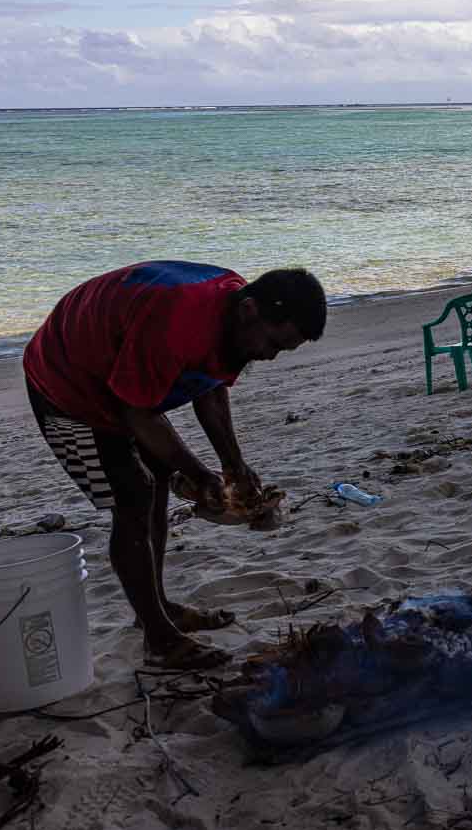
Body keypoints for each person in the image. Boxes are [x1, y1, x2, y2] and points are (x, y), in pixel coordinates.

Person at [23, 261, 327, 669]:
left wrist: (234, 465)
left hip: (119, 375)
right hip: (65, 385)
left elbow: (211, 389)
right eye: (274, 342)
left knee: (160, 476)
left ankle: (157, 607)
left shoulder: (233, 315)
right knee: (133, 495)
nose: (270, 356)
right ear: (251, 310)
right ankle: (159, 637)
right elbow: (138, 414)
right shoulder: (176, 320)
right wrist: (201, 473)